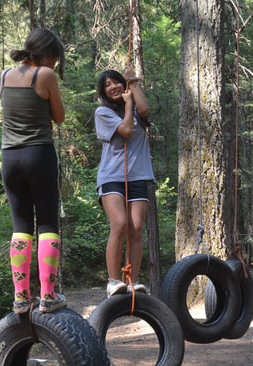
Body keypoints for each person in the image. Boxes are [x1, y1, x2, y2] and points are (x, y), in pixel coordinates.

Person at [0, 28, 66, 314]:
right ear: (48, 54)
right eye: (56, 59)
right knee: (48, 222)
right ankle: (49, 297)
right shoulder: (45, 76)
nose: (55, 65)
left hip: (10, 158)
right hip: (38, 154)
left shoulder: (4, 75)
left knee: (21, 226)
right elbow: (59, 117)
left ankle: (21, 298)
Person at [94, 69, 155, 297]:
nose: (113, 87)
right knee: (120, 224)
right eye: (107, 85)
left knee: (136, 228)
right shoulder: (102, 112)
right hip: (112, 177)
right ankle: (113, 281)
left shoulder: (136, 108)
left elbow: (145, 109)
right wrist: (129, 105)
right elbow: (127, 131)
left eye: (116, 82)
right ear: (103, 92)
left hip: (139, 175)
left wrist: (134, 84)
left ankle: (132, 281)